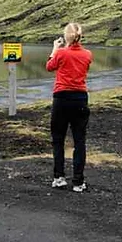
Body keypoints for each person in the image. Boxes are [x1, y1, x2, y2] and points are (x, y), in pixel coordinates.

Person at [45, 22, 93, 192]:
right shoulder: (88, 54)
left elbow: (50, 67)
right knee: (79, 141)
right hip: (80, 98)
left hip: (62, 98)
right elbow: (83, 67)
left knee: (58, 139)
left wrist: (55, 49)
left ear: (66, 36)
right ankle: (78, 182)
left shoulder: (61, 53)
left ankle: (59, 178)